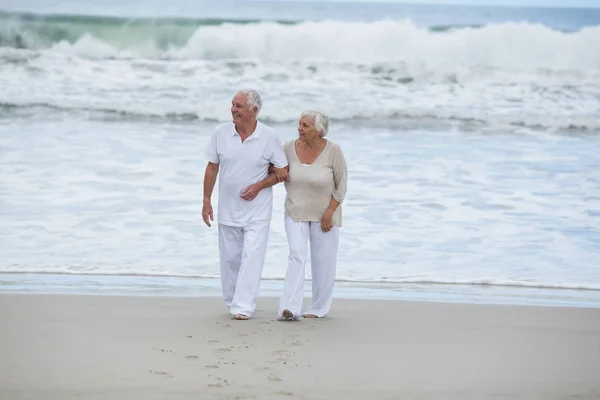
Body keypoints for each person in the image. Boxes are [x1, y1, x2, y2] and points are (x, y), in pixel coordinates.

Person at [202, 89, 288, 320]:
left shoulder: (269, 136)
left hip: (257, 211)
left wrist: (259, 186)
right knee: (230, 259)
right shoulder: (220, 132)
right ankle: (232, 300)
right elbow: (212, 168)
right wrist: (206, 200)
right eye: (232, 104)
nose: (233, 109)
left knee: (252, 256)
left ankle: (243, 306)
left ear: (254, 110)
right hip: (227, 209)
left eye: (239, 106)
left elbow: (282, 172)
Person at [277, 110, 348, 321]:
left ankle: (319, 307)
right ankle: (289, 308)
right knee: (296, 254)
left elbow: (342, 185)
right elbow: (273, 170)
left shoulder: (333, 150)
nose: (300, 128)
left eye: (305, 125)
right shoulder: (287, 148)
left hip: (326, 214)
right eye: (299, 124)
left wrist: (330, 212)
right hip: (295, 210)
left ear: (319, 131)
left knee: (323, 261)